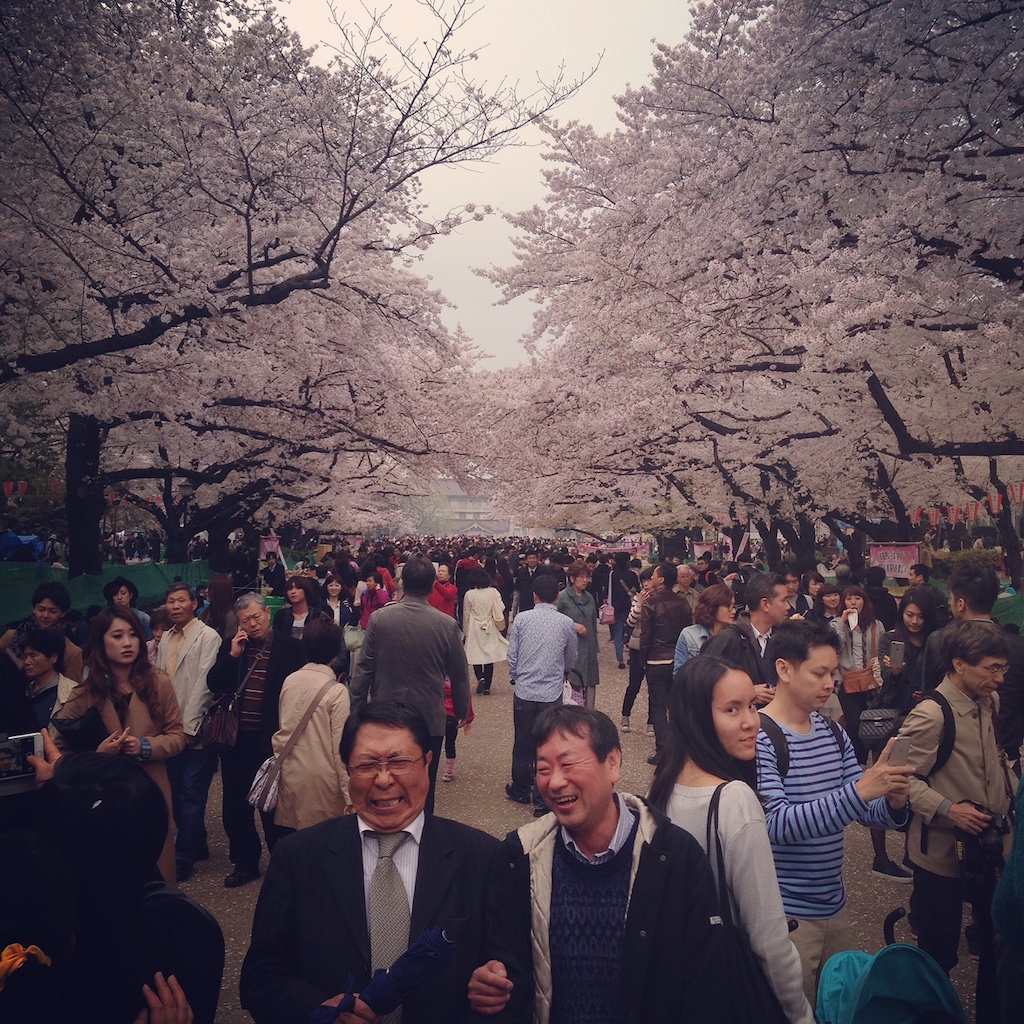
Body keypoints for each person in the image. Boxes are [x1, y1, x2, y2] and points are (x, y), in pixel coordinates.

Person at [239, 702, 500, 1024]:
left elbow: (507, 980)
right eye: (366, 765)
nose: (384, 779)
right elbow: (261, 978)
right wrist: (317, 1011)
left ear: (428, 763)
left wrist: (494, 988)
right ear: (348, 770)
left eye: (399, 762)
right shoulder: (298, 856)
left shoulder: (483, 856)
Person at [468, 705, 728, 1023]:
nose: (554, 782)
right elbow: (502, 962)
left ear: (613, 763)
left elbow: (706, 982)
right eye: (543, 768)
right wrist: (488, 981)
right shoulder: (518, 857)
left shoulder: (675, 856)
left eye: (568, 764)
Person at [649, 656, 814, 1024]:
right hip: (729, 991)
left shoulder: (663, 785)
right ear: (696, 717)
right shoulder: (734, 800)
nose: (751, 722)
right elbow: (769, 939)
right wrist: (800, 1014)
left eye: (753, 706)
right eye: (731, 709)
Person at [757, 619, 913, 1005]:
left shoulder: (832, 731)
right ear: (784, 669)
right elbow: (775, 824)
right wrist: (860, 792)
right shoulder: (760, 737)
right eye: (820, 673)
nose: (831, 684)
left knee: (841, 1006)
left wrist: (893, 801)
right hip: (787, 915)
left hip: (834, 905)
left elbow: (862, 809)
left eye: (834, 672)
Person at [899, 620, 1015, 1021]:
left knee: (994, 940)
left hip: (987, 851)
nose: (999, 679)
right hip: (942, 856)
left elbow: (994, 763)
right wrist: (949, 809)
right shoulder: (930, 713)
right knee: (938, 951)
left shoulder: (988, 702)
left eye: (1004, 669)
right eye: (991, 669)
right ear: (959, 664)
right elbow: (896, 782)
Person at [51, 607, 186, 884]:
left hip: (151, 788)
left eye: (133, 635)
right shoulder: (85, 693)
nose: (127, 643)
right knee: (112, 876)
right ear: (101, 642)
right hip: (102, 798)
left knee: (156, 874)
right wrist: (97, 757)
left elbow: (177, 735)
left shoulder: (157, 683)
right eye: (117, 635)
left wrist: (145, 746)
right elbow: (58, 749)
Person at [350, 556, 471, 812]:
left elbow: (363, 670)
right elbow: (459, 675)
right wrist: (461, 711)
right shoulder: (447, 625)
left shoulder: (380, 620)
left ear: (402, 584)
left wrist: (358, 710)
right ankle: (421, 839)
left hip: (385, 716)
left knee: (385, 781)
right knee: (423, 786)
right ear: (431, 586)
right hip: (429, 717)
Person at [206, 593, 305, 887]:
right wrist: (232, 656)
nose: (252, 624)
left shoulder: (290, 647)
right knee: (236, 806)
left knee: (274, 803)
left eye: (257, 617)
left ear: (267, 614)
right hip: (236, 739)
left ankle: (282, 861)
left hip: (272, 740)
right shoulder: (233, 646)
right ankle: (245, 862)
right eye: (246, 621)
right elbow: (213, 683)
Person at [865, 588, 940, 882]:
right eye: (909, 615)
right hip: (890, 719)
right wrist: (894, 675)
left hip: (923, 719)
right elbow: (884, 688)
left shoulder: (935, 641)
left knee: (917, 782)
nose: (915, 621)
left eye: (921, 616)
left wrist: (930, 692)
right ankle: (880, 857)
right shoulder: (891, 639)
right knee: (882, 783)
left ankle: (915, 852)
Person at [157, 582, 222, 883]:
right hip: (169, 729)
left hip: (197, 728)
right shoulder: (165, 638)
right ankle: (196, 843)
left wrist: (190, 727)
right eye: (170, 601)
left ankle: (182, 856)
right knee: (178, 791)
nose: (175, 606)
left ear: (194, 604)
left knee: (192, 794)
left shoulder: (208, 637)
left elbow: (204, 685)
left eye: (181, 601)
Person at [504, 574, 578, 814]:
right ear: (557, 596)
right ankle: (542, 800)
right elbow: (571, 656)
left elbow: (512, 654)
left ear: (534, 595)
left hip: (525, 690)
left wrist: (516, 675)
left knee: (522, 742)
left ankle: (521, 789)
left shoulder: (522, 619)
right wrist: (564, 672)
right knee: (547, 745)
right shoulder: (566, 623)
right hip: (551, 692)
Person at [272, 617, 351, 833]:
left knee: (298, 842)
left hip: (291, 773)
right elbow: (339, 747)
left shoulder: (290, 680)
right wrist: (349, 793)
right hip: (324, 781)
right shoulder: (337, 691)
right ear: (336, 654)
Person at [703, 571, 789, 706]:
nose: (788, 607)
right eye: (784, 600)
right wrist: (747, 692)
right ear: (765, 604)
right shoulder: (727, 641)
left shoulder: (785, 639)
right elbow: (703, 685)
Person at [639, 561, 692, 763]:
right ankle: (680, 749)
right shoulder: (683, 602)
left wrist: (643, 660)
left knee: (658, 707)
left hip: (656, 660)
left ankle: (663, 751)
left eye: (653, 575)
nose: (650, 578)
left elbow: (646, 636)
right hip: (678, 659)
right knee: (676, 706)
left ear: (661, 579)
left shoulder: (651, 603)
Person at [835, 585, 884, 764]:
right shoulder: (836, 623)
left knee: (869, 723)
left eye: (857, 598)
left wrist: (877, 659)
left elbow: (883, 647)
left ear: (864, 601)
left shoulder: (875, 625)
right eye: (849, 598)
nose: (853, 602)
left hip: (871, 679)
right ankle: (854, 761)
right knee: (854, 723)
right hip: (847, 681)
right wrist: (843, 622)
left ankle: (865, 761)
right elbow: (834, 647)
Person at [1, 581, 84, 684]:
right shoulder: (11, 637)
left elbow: (72, 691)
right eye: (41, 609)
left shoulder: (71, 653)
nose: (45, 615)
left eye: (52, 611)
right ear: (34, 608)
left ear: (63, 613)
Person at [556, 563, 600, 706]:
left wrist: (595, 646)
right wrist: (572, 625)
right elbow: (554, 620)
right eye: (581, 576)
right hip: (571, 647)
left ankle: (590, 716)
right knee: (573, 682)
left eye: (587, 576)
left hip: (589, 645)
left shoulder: (590, 597)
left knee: (590, 683)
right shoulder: (562, 597)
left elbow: (593, 623)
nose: (585, 580)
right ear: (572, 578)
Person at [462, 566, 508, 695]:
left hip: (475, 625)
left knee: (476, 654)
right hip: (489, 623)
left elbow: (466, 614)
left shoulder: (469, 594)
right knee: (489, 655)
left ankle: (480, 678)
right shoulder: (493, 592)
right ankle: (487, 685)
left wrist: (465, 632)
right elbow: (501, 607)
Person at [621, 566, 655, 735]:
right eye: (644, 581)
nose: (647, 584)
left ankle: (651, 721)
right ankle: (625, 715)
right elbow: (630, 621)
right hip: (638, 646)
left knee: (654, 686)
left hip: (655, 647)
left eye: (649, 580)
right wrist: (640, 604)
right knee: (634, 684)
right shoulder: (637, 598)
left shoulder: (659, 598)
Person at [673, 583, 737, 673]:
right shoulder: (689, 635)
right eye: (728, 606)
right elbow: (679, 673)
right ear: (712, 606)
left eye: (734, 606)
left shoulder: (736, 635)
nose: (733, 611)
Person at [20, 627, 77, 729]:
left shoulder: (71, 693)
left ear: (53, 658)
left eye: (33, 656)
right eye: (25, 656)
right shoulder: (23, 691)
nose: (27, 662)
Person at [607, 552, 639, 668]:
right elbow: (638, 590)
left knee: (618, 633)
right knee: (631, 631)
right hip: (630, 605)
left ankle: (620, 660)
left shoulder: (612, 574)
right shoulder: (632, 575)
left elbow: (608, 590)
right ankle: (631, 656)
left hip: (616, 607)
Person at [103, 576, 153, 641]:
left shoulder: (142, 617)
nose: (119, 597)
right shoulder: (106, 618)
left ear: (130, 595)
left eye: (123, 593)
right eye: (115, 594)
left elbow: (150, 641)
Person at [272, 575, 322, 640]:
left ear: (306, 590)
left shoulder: (319, 616)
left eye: (298, 588)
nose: (293, 592)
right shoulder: (281, 615)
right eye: (290, 589)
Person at [200, 574, 239, 639]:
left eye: (210, 589)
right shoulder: (206, 612)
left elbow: (229, 643)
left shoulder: (230, 618)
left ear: (219, 592)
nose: (206, 591)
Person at [863, 566, 899, 632]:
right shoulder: (890, 599)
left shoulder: (861, 598)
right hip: (886, 635)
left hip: (862, 635)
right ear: (883, 578)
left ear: (866, 578)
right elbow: (894, 621)